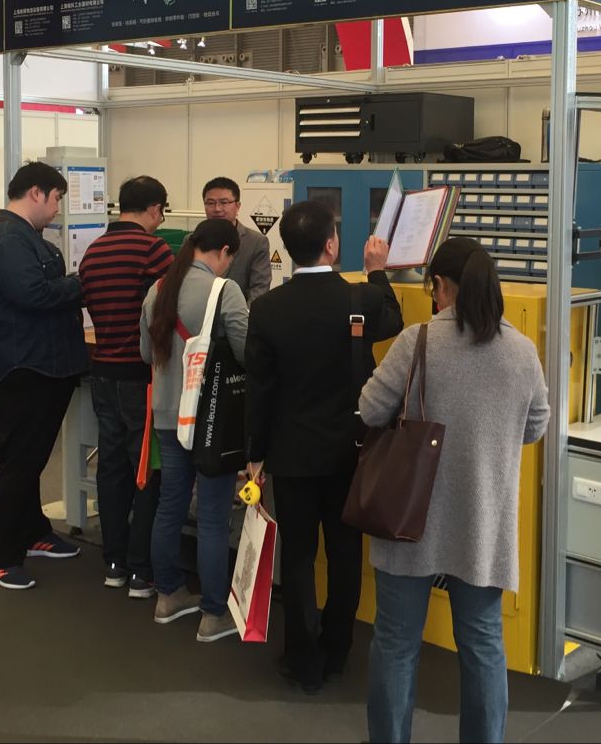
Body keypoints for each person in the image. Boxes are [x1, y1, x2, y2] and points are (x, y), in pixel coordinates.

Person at [358, 238, 549, 744]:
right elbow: (535, 426)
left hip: (408, 516)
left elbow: (371, 409)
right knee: (484, 645)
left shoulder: (417, 342)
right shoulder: (521, 351)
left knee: (396, 643)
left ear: (440, 286)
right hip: (482, 521)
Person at [244, 201, 405, 694]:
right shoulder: (360, 298)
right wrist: (377, 272)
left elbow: (260, 390)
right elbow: (394, 322)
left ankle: (303, 660)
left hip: (290, 453)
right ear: (332, 245)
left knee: (297, 556)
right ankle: (337, 650)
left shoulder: (266, 309)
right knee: (343, 552)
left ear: (287, 249)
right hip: (348, 451)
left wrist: (255, 456)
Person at [0, 161, 88, 590]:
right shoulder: (7, 239)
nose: (57, 209)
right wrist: (82, 284)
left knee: (30, 458)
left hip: (41, 364)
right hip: (21, 368)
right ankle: (0, 558)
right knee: (19, 463)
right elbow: (33, 294)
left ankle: (34, 532)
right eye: (56, 198)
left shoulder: (26, 237)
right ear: (36, 192)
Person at [141, 218, 249, 642]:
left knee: (170, 504)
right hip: (212, 422)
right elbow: (246, 352)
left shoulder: (158, 289)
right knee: (213, 517)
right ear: (223, 252)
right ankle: (213, 614)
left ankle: (168, 596)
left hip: (168, 416)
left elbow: (146, 352)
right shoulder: (225, 291)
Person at [79, 176, 174, 595]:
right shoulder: (154, 250)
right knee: (145, 470)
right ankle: (141, 569)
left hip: (102, 372)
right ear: (154, 209)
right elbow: (169, 310)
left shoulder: (94, 251)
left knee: (112, 467)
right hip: (141, 377)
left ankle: (114, 562)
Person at [202, 176, 271, 304]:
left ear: (237, 206)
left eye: (224, 202)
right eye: (210, 203)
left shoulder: (256, 242)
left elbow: (259, 289)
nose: (217, 209)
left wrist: (241, 315)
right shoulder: (192, 240)